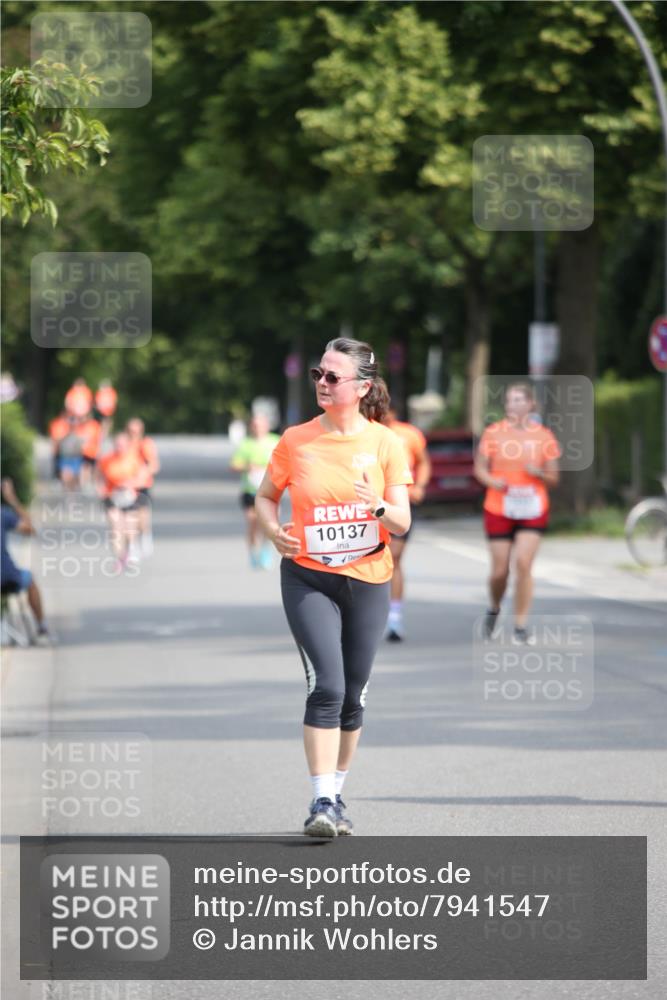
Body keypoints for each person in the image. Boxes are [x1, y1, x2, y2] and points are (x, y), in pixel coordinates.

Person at [255, 338, 412, 837]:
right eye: (318, 375)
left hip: (368, 577)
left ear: (362, 387)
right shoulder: (296, 440)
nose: (322, 383)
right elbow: (264, 496)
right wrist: (272, 529)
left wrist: (377, 507)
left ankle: (337, 794)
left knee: (353, 695)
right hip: (308, 575)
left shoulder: (386, 444)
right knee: (327, 686)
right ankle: (321, 799)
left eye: (332, 377)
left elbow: (403, 521)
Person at [474, 382, 561, 645]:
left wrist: (540, 473)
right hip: (499, 506)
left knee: (523, 563)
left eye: (520, 400)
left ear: (531, 404)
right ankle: (495, 606)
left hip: (532, 507)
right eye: (510, 400)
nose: (514, 405)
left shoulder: (543, 436)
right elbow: (480, 468)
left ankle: (521, 625)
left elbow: (554, 478)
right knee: (500, 571)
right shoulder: (493, 433)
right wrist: (492, 481)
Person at [381, 406, 431, 641]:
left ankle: (394, 618)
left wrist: (419, 485)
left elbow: (424, 462)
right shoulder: (368, 433)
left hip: (402, 504)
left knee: (394, 557)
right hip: (372, 505)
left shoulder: (409, 434)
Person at [1, 478, 51, 644]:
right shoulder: (2, 514)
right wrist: (12, 499)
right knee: (29, 579)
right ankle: (42, 627)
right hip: (7, 576)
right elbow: (31, 528)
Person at [230, 414, 280, 570]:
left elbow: (286, 460)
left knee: (267, 524)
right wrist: (247, 467)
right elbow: (233, 465)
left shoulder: (275, 441)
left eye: (260, 425)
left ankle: (265, 550)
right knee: (252, 523)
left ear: (267, 426)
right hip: (250, 491)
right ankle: (253, 552)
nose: (257, 428)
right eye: (254, 425)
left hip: (271, 491)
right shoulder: (246, 444)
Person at [97, 432, 145, 571]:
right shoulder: (107, 460)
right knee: (116, 528)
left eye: (123, 445)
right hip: (112, 497)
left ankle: (131, 550)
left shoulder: (135, 459)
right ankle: (119, 558)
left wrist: (130, 484)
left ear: (128, 445)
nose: (120, 447)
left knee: (129, 529)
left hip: (130, 497)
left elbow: (143, 477)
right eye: (117, 444)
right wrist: (101, 488)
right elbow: (98, 476)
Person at [126, 418, 160, 557]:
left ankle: (146, 536)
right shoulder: (124, 444)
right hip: (126, 487)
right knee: (129, 518)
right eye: (131, 430)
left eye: (136, 430)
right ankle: (132, 546)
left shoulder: (145, 444)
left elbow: (154, 465)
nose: (133, 433)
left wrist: (142, 474)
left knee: (142, 517)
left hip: (141, 485)